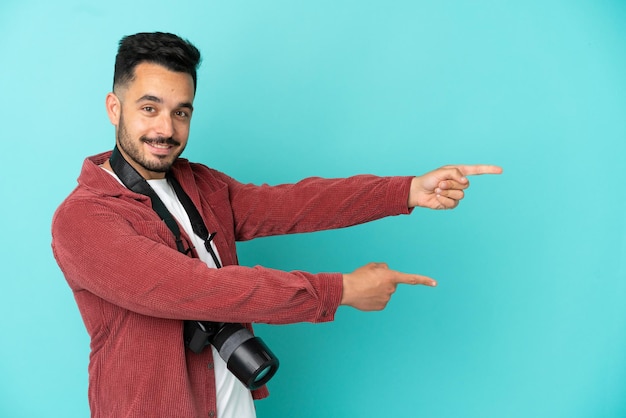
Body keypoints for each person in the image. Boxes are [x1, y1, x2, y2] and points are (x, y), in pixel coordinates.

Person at [51, 31, 502, 418]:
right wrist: (339, 291)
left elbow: (292, 204)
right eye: (149, 108)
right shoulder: (84, 218)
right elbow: (195, 289)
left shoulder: (199, 183)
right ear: (115, 107)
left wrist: (405, 190)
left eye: (181, 111)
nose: (166, 128)